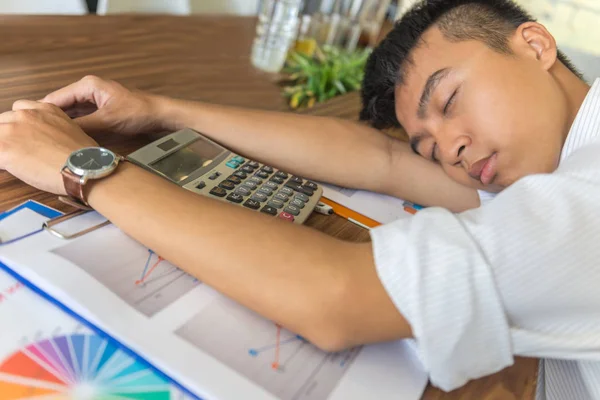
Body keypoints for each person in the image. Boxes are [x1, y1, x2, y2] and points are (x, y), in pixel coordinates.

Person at [0, 0, 599, 397]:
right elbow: (382, 159)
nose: (452, 150)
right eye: (429, 144)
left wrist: (83, 169)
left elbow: (338, 298)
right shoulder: (551, 159)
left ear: (535, 45)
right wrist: (158, 111)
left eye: (447, 102)